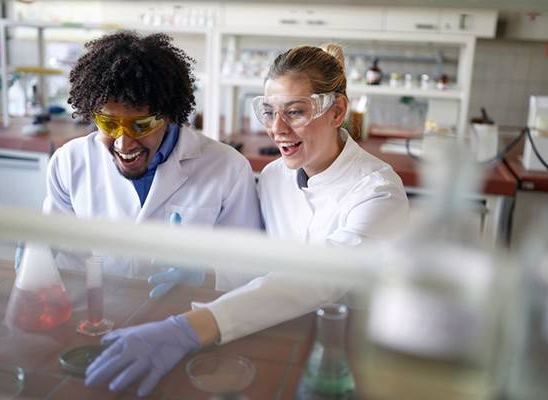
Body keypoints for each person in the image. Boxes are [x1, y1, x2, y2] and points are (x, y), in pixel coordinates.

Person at [85, 43, 409, 396]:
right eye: (269, 112)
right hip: (280, 335)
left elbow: (320, 277)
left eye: (295, 112)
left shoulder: (378, 192)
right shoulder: (274, 177)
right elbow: (263, 270)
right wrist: (207, 273)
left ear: (336, 112)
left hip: (354, 357)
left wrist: (188, 329)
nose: (277, 128)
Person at [41, 31, 262, 285]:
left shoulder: (228, 169)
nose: (123, 142)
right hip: (98, 315)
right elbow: (64, 258)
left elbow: (245, 270)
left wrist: (204, 276)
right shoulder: (69, 163)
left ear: (168, 114)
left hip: (188, 317)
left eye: (141, 125)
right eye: (109, 123)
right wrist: (39, 253)